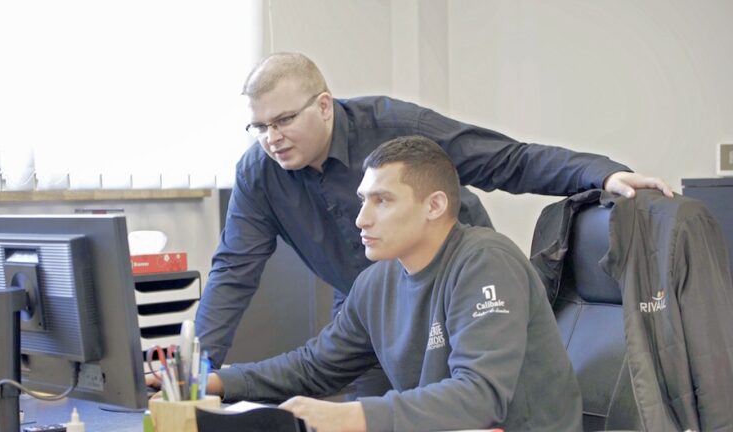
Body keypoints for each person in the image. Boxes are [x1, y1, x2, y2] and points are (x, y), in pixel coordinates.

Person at [195, 51, 672, 392]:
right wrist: (200, 368)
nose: (271, 139)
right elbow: (235, 267)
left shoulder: (395, 129)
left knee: (453, 402)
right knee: (363, 401)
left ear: (323, 105)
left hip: (454, 288)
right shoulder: (259, 174)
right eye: (258, 127)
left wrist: (601, 172)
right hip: (369, 302)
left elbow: (505, 160)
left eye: (282, 121)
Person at [206, 136, 583, 432]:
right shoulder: (376, 282)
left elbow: (479, 396)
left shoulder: (485, 260)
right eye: (362, 201)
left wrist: (353, 417)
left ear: (434, 206)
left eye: (382, 201)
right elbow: (314, 366)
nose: (361, 220)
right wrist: (218, 382)